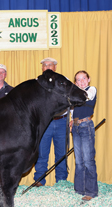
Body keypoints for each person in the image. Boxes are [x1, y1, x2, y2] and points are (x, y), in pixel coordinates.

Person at [33, 57, 68, 186]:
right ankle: (39, 180)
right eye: (45, 65)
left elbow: (71, 99)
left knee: (61, 153)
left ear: (55, 67)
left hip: (61, 121)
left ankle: (61, 181)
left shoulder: (64, 82)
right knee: (42, 152)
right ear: (42, 68)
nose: (47, 67)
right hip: (44, 122)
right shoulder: (37, 83)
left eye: (50, 65)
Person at [70, 70, 98, 201]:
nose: (81, 82)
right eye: (78, 80)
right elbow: (72, 109)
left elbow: (87, 96)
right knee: (79, 161)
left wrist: (73, 92)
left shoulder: (91, 89)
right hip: (76, 127)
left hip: (86, 126)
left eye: (83, 79)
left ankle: (91, 191)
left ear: (88, 79)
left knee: (88, 159)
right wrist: (71, 120)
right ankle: (80, 189)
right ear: (75, 82)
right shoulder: (75, 94)